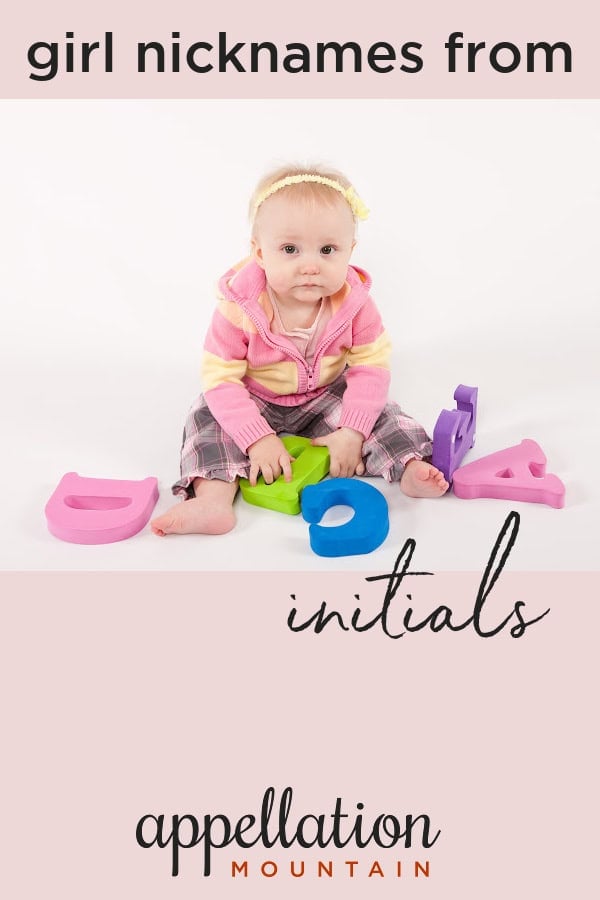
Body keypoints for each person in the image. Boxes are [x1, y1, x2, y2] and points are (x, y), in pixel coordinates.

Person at [152, 165, 448, 537]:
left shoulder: (354, 305)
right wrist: (257, 438)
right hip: (254, 397)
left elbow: (370, 368)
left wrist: (352, 433)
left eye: (327, 250)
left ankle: (408, 466)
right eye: (290, 249)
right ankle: (213, 500)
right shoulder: (239, 306)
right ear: (260, 253)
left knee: (381, 413)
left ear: (350, 251)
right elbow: (221, 379)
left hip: (325, 395)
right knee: (207, 416)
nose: (310, 265)